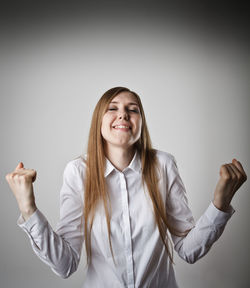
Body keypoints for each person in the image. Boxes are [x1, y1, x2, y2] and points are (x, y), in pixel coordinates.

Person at [5, 87, 247, 287]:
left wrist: (220, 204)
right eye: (113, 108)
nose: (123, 115)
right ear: (98, 121)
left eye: (133, 110)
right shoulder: (78, 172)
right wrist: (29, 209)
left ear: (141, 123)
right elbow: (65, 264)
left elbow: (187, 250)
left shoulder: (163, 165)